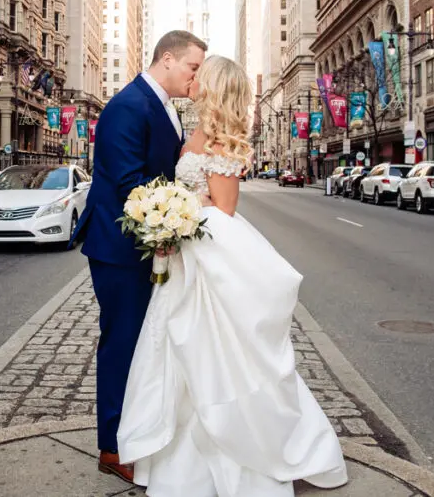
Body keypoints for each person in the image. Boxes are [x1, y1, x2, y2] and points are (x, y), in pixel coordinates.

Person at [117, 56, 349, 497]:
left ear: (216, 87)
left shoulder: (223, 143)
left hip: (209, 254)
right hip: (186, 253)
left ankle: (246, 451)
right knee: (178, 351)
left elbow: (223, 209)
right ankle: (180, 462)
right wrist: (168, 214)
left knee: (215, 352)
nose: (194, 80)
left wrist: (178, 213)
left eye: (201, 76)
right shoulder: (195, 133)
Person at [72, 30, 208, 483]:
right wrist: (170, 224)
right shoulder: (126, 107)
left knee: (146, 345)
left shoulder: (166, 107)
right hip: (119, 248)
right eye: (192, 67)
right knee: (122, 343)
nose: (196, 76)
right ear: (167, 59)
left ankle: (142, 429)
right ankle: (112, 448)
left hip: (148, 243)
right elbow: (129, 183)